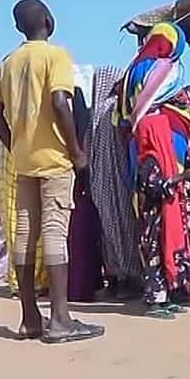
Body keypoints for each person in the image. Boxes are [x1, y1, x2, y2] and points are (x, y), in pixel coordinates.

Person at [0, 0, 102, 343]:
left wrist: (16, 146)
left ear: (19, 27)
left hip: (24, 164)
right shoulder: (56, 56)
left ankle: (29, 319)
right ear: (48, 20)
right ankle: (60, 321)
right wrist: (76, 152)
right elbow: (59, 102)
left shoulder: (9, 62)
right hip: (54, 161)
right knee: (54, 234)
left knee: (24, 235)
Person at [119, 22, 190, 318]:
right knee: (157, 230)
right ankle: (156, 296)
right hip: (158, 164)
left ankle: (164, 293)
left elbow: (126, 117)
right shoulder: (166, 70)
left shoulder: (133, 70)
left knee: (153, 228)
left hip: (140, 155)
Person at [87, 65, 140, 298]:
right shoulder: (114, 110)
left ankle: (115, 279)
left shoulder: (93, 113)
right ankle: (128, 278)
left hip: (98, 182)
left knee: (107, 232)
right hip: (118, 180)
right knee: (125, 228)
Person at [66, 87, 104, 302]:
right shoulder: (90, 122)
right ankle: (84, 287)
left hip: (72, 187)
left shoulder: (64, 126)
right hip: (85, 189)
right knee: (84, 239)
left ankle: (77, 287)